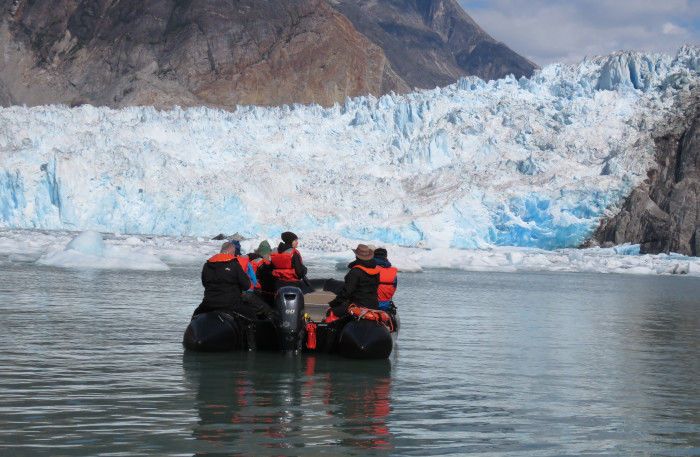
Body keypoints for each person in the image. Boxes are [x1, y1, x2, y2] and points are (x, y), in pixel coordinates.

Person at [192, 241, 251, 318]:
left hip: (209, 303)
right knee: (251, 315)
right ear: (232, 252)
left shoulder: (207, 265)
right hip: (230, 304)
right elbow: (246, 285)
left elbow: (205, 283)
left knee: (195, 316)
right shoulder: (234, 264)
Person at [327, 244, 380, 316]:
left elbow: (346, 293)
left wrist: (334, 303)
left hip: (358, 306)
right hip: (374, 305)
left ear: (357, 256)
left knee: (331, 312)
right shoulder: (376, 271)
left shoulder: (355, 272)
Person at [373, 247, 398, 312]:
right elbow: (394, 288)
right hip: (386, 304)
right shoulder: (393, 271)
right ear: (386, 257)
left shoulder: (371, 268)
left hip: (371, 303)